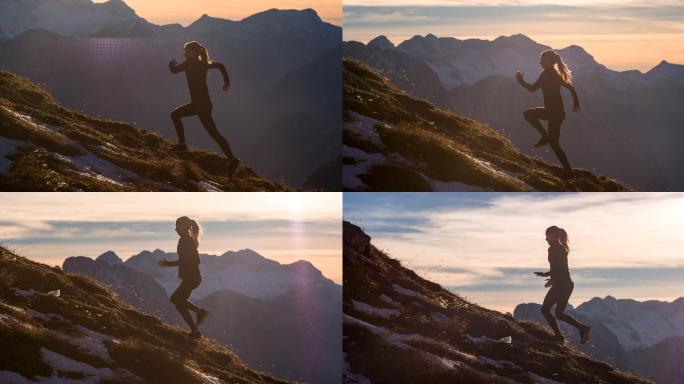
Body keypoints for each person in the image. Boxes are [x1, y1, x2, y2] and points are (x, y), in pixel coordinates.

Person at [169, 41, 239, 174]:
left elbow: (174, 71)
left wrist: (171, 64)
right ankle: (232, 159)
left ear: (194, 52)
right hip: (204, 104)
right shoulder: (203, 64)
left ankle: (182, 145)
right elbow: (221, 66)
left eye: (186, 51)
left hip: (199, 105)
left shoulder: (189, 64)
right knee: (213, 133)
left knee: (175, 115)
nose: (184, 53)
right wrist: (226, 81)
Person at [515, 50, 580, 177]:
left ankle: (545, 136)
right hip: (556, 113)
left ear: (549, 61)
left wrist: (520, 80)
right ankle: (568, 170)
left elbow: (532, 89)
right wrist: (576, 103)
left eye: (542, 59)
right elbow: (571, 88)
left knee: (528, 114)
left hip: (553, 113)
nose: (540, 62)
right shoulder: (553, 73)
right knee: (554, 144)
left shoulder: (547, 74)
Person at [534, 225, 591, 344]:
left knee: (545, 309)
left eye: (547, 236)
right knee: (559, 314)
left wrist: (552, 279)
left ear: (553, 235)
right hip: (568, 284)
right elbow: (560, 267)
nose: (546, 239)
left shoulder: (554, 249)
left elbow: (558, 267)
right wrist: (546, 275)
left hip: (561, 284)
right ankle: (582, 328)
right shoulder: (560, 248)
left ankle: (559, 336)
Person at [158, 216, 209, 338]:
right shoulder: (186, 240)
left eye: (177, 226)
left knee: (176, 299)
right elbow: (188, 260)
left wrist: (170, 264)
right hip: (192, 278)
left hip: (192, 278)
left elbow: (193, 260)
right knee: (177, 301)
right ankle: (197, 322)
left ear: (184, 227)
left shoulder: (187, 241)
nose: (175, 229)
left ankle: (198, 321)